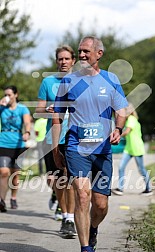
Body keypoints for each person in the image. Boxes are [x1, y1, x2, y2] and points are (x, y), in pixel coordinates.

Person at [52, 36, 128, 252]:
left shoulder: (111, 79)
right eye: (80, 51)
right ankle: (86, 248)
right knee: (83, 196)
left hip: (102, 150)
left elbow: (121, 111)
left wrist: (118, 128)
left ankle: (93, 227)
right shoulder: (68, 81)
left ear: (99, 54)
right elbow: (57, 116)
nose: (82, 55)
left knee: (101, 205)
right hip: (77, 147)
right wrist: (57, 148)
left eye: (86, 51)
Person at [35, 45, 77, 237]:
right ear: (56, 61)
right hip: (51, 137)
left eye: (67, 59)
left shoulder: (80, 81)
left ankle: (68, 219)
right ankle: (61, 203)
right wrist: (49, 110)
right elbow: (38, 110)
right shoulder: (47, 82)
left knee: (68, 178)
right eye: (60, 59)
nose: (63, 62)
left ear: (73, 61)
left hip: (73, 136)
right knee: (55, 180)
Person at [0, 85, 31, 212]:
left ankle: (13, 197)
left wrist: (27, 132)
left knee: (15, 175)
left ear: (16, 95)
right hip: (3, 143)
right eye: (5, 95)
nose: (7, 97)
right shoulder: (2, 108)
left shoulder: (22, 109)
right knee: (3, 172)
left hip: (18, 144)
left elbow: (27, 122)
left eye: (9, 95)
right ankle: (1, 200)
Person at [112, 103, 153, 196]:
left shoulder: (132, 119)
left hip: (136, 147)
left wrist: (117, 135)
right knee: (121, 167)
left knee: (141, 169)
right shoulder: (128, 120)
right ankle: (120, 188)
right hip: (129, 148)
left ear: (128, 111)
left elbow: (127, 131)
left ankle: (149, 188)